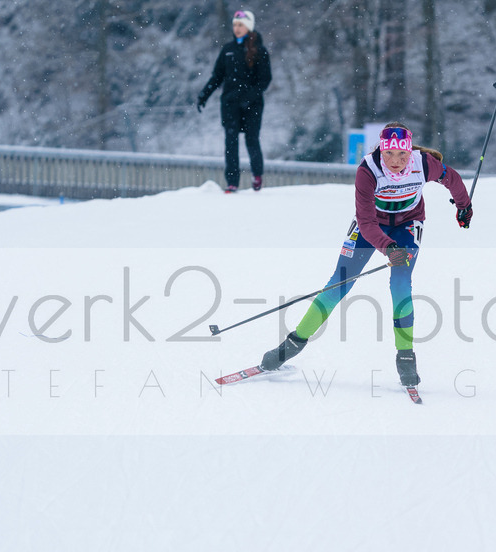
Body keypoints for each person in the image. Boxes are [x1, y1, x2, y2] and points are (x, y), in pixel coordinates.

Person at [259, 122, 474, 388]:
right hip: (370, 226)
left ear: (410, 152)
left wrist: (464, 207)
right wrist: (387, 248)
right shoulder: (367, 170)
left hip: (408, 225)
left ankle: (405, 357)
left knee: (400, 284)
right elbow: (366, 221)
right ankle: (291, 345)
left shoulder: (425, 164)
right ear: (381, 151)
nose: (396, 161)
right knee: (340, 282)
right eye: (389, 154)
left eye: (402, 155)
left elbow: (451, 178)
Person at [197, 10, 272, 192]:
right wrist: (204, 95)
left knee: (251, 139)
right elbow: (217, 76)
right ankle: (232, 182)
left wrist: (250, 97)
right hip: (230, 104)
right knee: (230, 141)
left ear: (248, 27)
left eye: (241, 25)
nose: (236, 28)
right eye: (235, 24)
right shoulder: (228, 50)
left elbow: (265, 79)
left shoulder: (259, 50)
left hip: (252, 105)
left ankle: (257, 175)